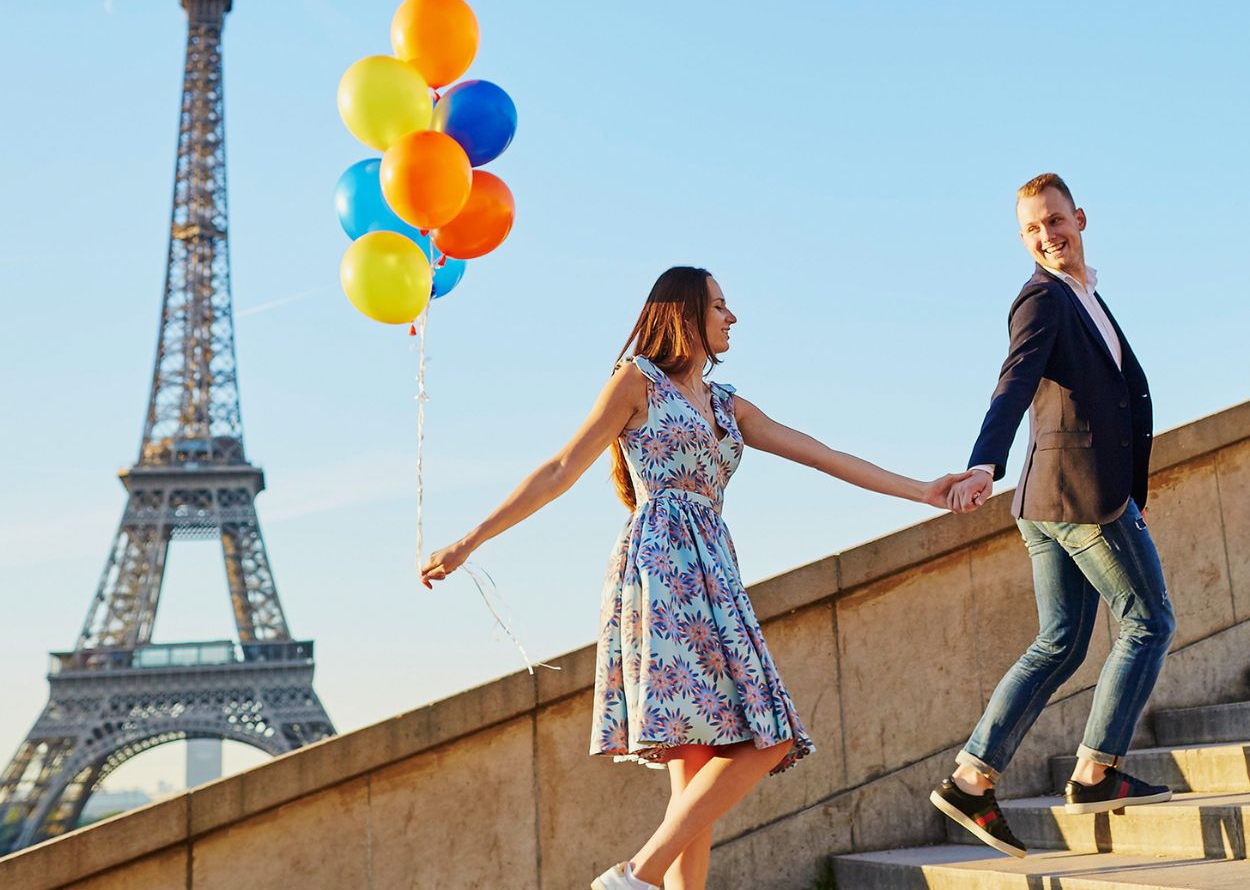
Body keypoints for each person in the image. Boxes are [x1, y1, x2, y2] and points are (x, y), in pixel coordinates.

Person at [421, 266, 971, 890]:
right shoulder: (637, 382)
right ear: (684, 314)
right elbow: (559, 469)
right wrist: (471, 540)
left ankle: (640, 878)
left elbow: (824, 455)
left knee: (697, 771)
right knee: (768, 738)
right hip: (661, 570)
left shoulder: (729, 405)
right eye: (718, 305)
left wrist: (923, 489)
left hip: (715, 570)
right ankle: (635, 875)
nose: (731, 317)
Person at [930, 174, 1176, 859]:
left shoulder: (1083, 295)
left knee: (1061, 642)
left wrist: (1134, 484)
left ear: (1081, 218)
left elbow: (1113, 398)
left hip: (1051, 502)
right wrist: (984, 463)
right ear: (1023, 239)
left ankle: (972, 778)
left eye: (1055, 221)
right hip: (1077, 496)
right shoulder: (1041, 299)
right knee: (1149, 621)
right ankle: (1095, 771)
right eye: (1034, 229)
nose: (1047, 235)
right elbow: (1013, 383)